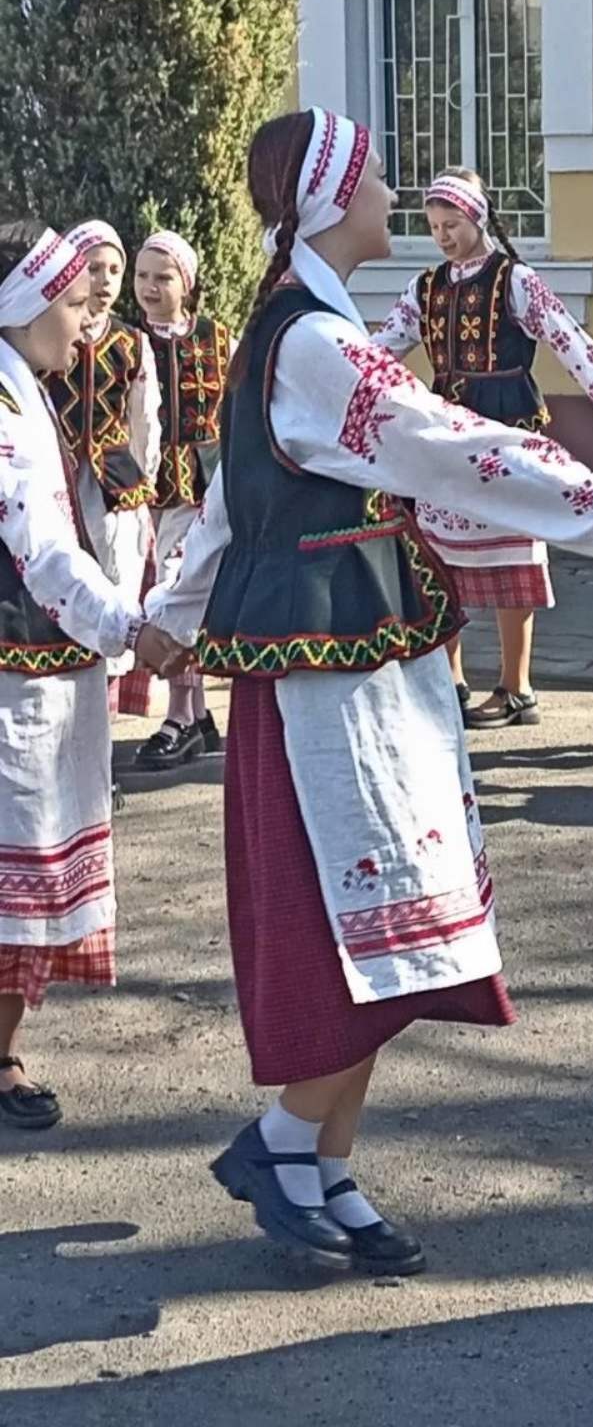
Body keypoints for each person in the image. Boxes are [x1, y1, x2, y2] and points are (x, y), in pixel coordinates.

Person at [146, 108, 593, 1273]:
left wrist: (172, 618)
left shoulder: (306, 323)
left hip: (361, 647)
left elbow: (236, 498)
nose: (394, 193)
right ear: (334, 197)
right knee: (360, 915)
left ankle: (321, 1162)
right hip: (323, 668)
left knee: (399, 912)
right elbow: (454, 446)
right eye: (379, 175)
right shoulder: (315, 343)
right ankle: (283, 1144)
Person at [0, 220, 181, 1131]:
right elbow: (40, 548)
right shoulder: (4, 409)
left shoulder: (20, 387)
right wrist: (129, 628)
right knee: (16, 874)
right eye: (73, 303)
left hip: (40, 660)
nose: (86, 321)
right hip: (16, 670)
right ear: (26, 306)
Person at [376, 167, 593, 729]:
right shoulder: (424, 289)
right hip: (447, 436)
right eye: (433, 226)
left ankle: (516, 687)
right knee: (437, 558)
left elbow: (568, 339)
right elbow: (380, 349)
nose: (442, 236)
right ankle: (450, 682)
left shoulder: (514, 281)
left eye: (451, 224)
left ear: (477, 217)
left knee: (512, 550)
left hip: (506, 428)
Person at [49, 221, 161, 732]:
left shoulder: (132, 342)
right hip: (60, 481)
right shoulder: (51, 335)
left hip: (115, 488)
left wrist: (143, 481)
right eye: (95, 268)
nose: (106, 280)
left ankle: (104, 737)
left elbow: (145, 418)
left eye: (115, 269)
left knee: (114, 590)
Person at [133, 230, 232, 770]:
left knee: (184, 589)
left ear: (186, 284)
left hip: (201, 488)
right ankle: (194, 713)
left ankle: (181, 716)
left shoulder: (218, 339)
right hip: (146, 487)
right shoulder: (129, 342)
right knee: (164, 591)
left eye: (163, 277)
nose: (150, 287)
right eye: (143, 276)